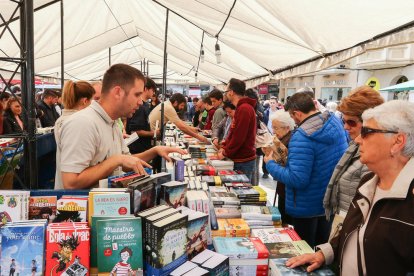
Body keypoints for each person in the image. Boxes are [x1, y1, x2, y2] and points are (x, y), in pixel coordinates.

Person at [287, 100, 414, 275]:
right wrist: (325, 254)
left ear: (397, 141)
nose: (359, 139)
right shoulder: (368, 181)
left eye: (367, 132)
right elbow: (353, 232)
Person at [55, 64, 186, 189]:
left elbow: (127, 162)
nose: (140, 102)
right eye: (137, 94)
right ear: (118, 92)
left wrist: (155, 151)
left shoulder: (111, 122)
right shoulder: (83, 123)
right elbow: (71, 182)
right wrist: (116, 160)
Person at [264, 92, 348, 247]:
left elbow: (297, 179)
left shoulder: (301, 136)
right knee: (320, 246)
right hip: (328, 200)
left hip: (306, 204)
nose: (293, 120)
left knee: (304, 249)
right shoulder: (334, 122)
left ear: (297, 113)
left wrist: (270, 164)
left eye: (292, 115)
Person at [323, 86, 384, 240]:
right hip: (344, 225)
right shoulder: (356, 145)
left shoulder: (374, 155)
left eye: (351, 122)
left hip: (355, 231)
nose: (345, 127)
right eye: (344, 121)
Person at [218, 78, 257, 182]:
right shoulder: (241, 108)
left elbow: (239, 137)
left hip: (243, 160)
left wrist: (225, 152)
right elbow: (233, 132)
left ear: (231, 92)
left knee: (241, 192)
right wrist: (225, 146)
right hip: (240, 158)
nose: (225, 95)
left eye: (226, 92)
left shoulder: (244, 109)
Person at [267, 110, 295, 225]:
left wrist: (270, 162)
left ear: (287, 128)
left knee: (285, 219)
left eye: (276, 128)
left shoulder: (291, 141)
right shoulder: (284, 138)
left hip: (287, 187)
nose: (273, 131)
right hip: (283, 186)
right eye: (273, 128)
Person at [126, 77, 159, 154]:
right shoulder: (140, 106)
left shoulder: (145, 105)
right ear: (146, 89)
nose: (153, 93)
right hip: (137, 148)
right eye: (153, 90)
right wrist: (153, 133)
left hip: (142, 147)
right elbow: (135, 131)